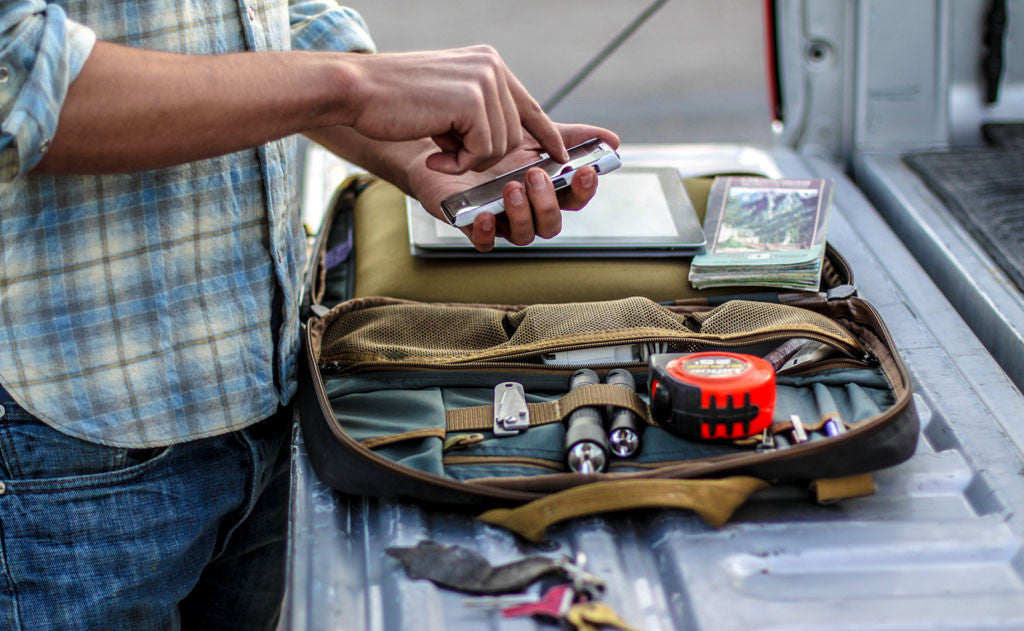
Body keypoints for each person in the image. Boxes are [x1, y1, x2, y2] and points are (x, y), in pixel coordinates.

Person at [0, 1, 619, 629]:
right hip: (66, 452)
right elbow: (17, 79)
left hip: (264, 401)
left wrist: (412, 151)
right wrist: (348, 89)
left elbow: (264, 16)